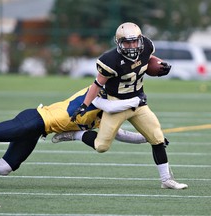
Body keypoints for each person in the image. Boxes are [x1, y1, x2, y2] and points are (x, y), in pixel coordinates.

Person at [0, 86, 147, 187]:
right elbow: (106, 102)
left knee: (5, 167)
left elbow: (119, 134)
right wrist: (135, 101)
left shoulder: (101, 117)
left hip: (38, 130)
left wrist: (148, 137)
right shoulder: (96, 96)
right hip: (35, 119)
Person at [69, 22, 188, 189]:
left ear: (140, 40)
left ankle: (166, 180)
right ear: (118, 43)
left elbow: (149, 60)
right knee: (101, 146)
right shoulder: (110, 60)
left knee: (157, 137)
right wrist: (84, 105)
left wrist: (160, 64)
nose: (132, 46)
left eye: (134, 41)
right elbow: (97, 84)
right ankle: (75, 135)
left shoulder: (146, 46)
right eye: (127, 42)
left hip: (138, 103)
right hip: (116, 104)